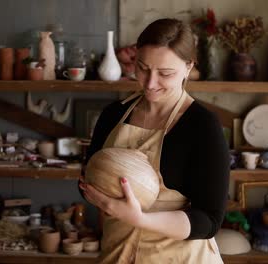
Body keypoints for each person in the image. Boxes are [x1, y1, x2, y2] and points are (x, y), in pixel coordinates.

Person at [79, 18, 230, 263]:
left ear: (188, 67)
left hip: (179, 257)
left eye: (165, 73)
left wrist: (140, 219)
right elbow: (90, 175)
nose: (150, 83)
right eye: (142, 68)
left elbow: (209, 220)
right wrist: (95, 190)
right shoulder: (113, 114)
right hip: (119, 252)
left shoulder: (202, 126)